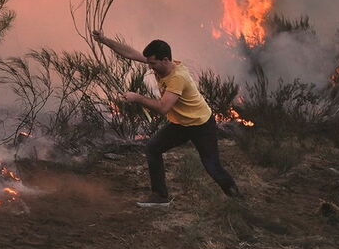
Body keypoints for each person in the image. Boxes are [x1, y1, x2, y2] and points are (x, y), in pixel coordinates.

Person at [92, 31, 240, 207]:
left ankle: (237, 200)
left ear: (165, 60)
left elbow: (163, 108)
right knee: (153, 148)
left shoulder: (178, 77)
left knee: (212, 167)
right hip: (181, 124)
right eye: (149, 63)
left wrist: (137, 97)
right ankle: (160, 196)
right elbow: (130, 53)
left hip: (201, 125)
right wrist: (104, 40)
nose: (149, 67)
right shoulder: (159, 64)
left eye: (153, 63)